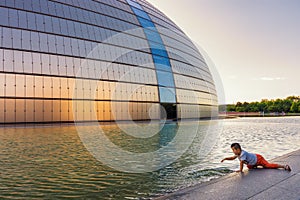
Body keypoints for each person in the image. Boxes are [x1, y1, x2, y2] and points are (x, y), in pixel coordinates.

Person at [221, 143, 291, 173]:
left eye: (233, 150)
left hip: (259, 159)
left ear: (238, 149)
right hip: (253, 162)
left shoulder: (243, 154)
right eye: (232, 150)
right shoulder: (238, 154)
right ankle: (255, 165)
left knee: (268, 166)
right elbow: (232, 158)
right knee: (249, 166)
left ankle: (284, 166)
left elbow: (241, 162)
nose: (233, 151)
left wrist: (240, 170)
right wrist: (225, 159)